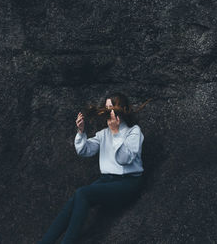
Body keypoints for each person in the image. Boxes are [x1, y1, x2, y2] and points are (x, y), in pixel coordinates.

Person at [37, 92, 150, 244]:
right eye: (107, 107)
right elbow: (84, 150)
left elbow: (124, 159)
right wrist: (81, 131)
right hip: (107, 180)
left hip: (128, 182)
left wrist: (116, 133)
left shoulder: (134, 131)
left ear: (121, 108)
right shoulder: (104, 133)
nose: (109, 111)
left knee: (83, 193)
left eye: (112, 107)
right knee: (76, 197)